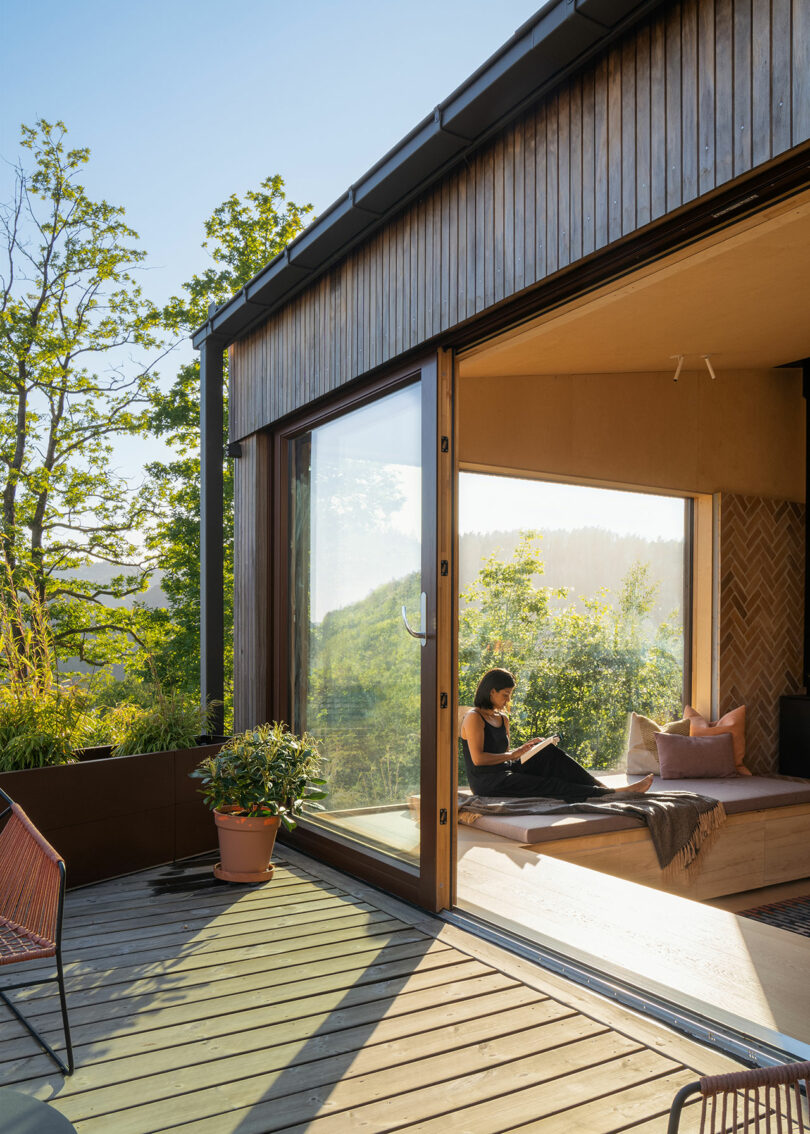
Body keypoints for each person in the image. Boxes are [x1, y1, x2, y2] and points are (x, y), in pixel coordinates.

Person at [461, 667, 654, 801]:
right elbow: (478, 759)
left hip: (506, 770)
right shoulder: (474, 717)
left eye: (511, 694)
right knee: (550, 784)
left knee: (548, 753)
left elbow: (503, 755)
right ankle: (608, 793)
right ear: (491, 691)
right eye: (505, 694)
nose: (508, 699)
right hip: (487, 783)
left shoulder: (503, 718)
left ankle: (603, 789)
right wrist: (514, 754)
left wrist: (527, 751)